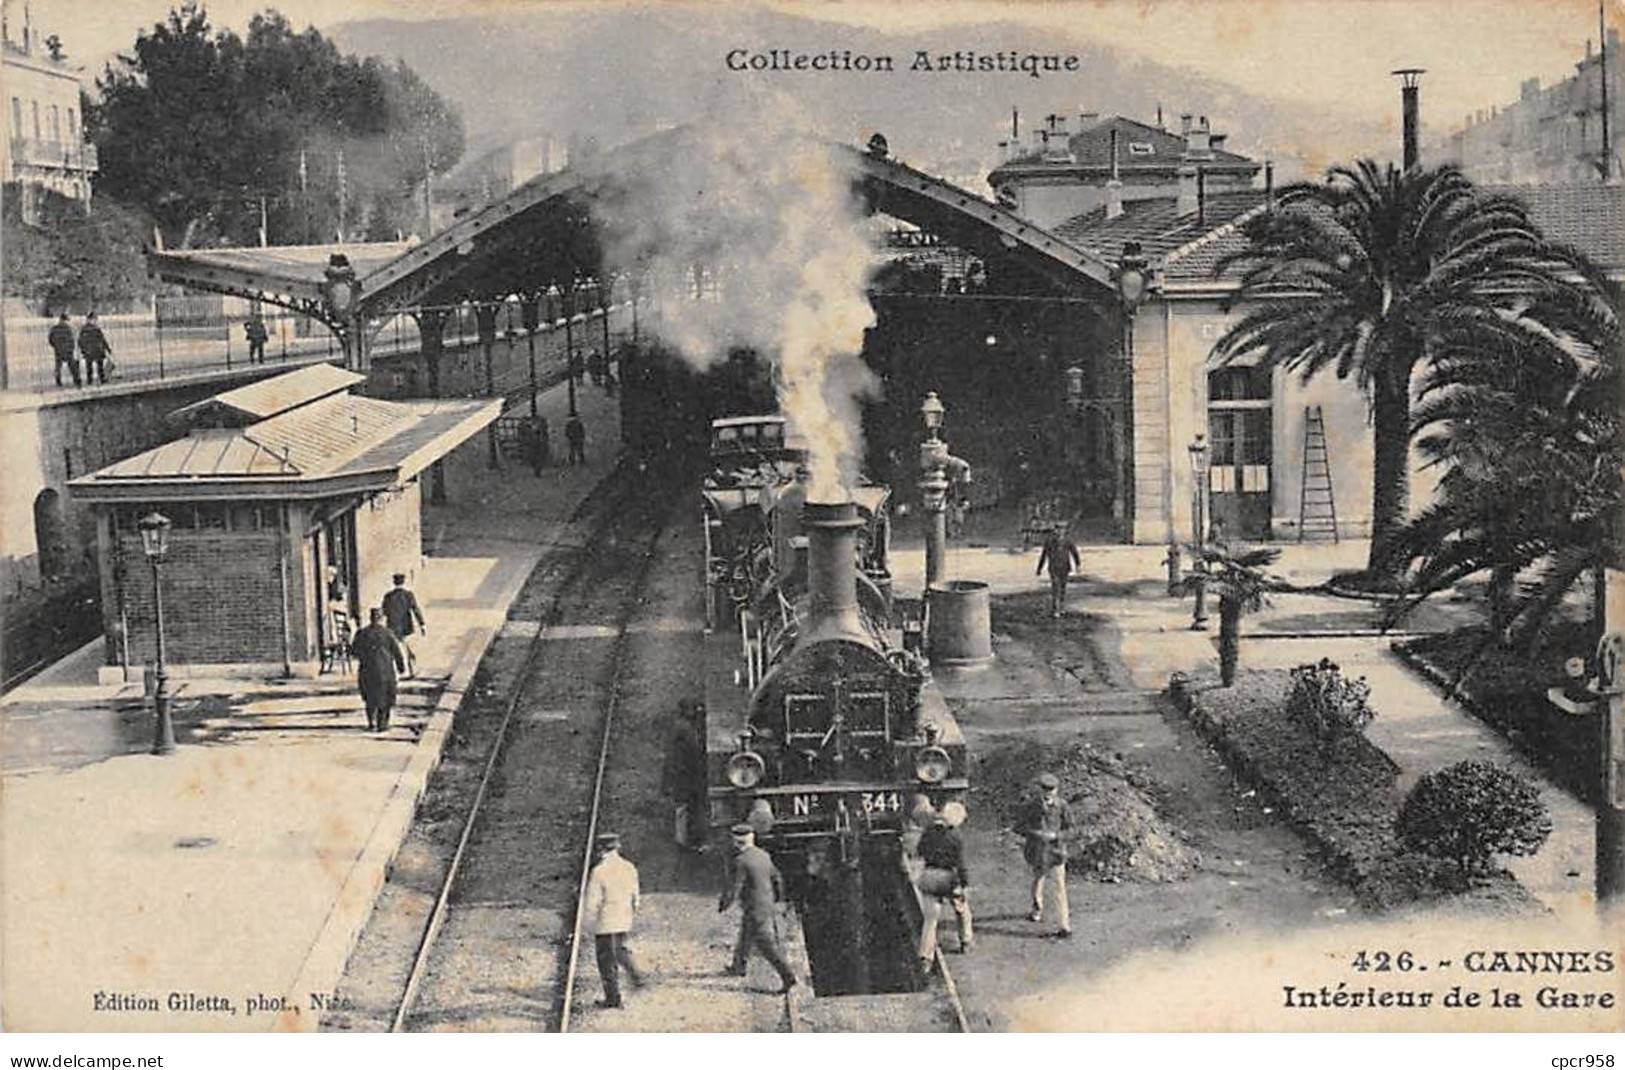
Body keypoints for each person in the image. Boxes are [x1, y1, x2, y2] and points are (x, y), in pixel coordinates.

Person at [718, 824, 797, 992]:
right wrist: (779, 899)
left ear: (737, 842)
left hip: (755, 907)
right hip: (766, 904)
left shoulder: (741, 861)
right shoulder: (764, 855)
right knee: (746, 934)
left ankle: (788, 976)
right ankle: (738, 966)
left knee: (766, 945)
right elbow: (777, 878)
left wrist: (724, 904)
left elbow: (736, 887)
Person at [582, 832, 645, 1008]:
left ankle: (613, 998)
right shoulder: (629, 867)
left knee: (606, 961)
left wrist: (588, 924)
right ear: (617, 848)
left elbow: (592, 902)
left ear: (601, 850)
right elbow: (636, 895)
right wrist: (632, 912)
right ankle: (636, 977)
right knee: (619, 949)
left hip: (605, 922)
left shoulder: (599, 871)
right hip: (624, 918)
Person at [917, 800, 973, 967]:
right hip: (949, 877)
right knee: (962, 910)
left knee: (930, 919)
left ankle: (926, 957)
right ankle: (966, 940)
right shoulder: (956, 837)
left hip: (930, 876)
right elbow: (961, 863)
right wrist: (965, 884)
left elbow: (920, 850)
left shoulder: (928, 832)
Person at [1017, 772, 1073, 938]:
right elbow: (1018, 827)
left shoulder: (1062, 806)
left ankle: (1064, 926)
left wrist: (1057, 836)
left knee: (1059, 888)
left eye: (1052, 790)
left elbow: (1072, 829)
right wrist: (1036, 833)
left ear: (1057, 790)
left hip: (1056, 852)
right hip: (1037, 852)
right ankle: (1037, 908)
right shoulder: (1031, 806)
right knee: (1038, 880)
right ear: (1040, 790)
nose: (1049, 793)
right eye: (1045, 790)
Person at [350, 608, 406, 732]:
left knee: (370, 697)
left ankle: (372, 722)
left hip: (367, 671)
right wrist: (401, 667)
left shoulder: (362, 633)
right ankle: (383, 724)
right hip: (385, 672)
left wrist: (365, 656)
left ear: (371, 618)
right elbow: (397, 652)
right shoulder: (388, 633)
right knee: (385, 698)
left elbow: (354, 651)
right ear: (381, 619)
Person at [663, 700, 707, 851]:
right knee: (688, 808)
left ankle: (682, 838)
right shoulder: (686, 730)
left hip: (681, 775)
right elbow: (694, 753)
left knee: (682, 808)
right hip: (686, 776)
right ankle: (685, 840)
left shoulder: (679, 727)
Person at [381, 573, 427, 678]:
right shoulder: (408, 595)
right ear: (403, 582)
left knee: (395, 650)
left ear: (394, 582)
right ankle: (412, 671)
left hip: (392, 627)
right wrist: (422, 624)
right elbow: (415, 609)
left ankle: (397, 673)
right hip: (406, 627)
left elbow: (384, 611)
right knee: (409, 650)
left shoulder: (388, 596)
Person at [1036, 526, 1081, 619]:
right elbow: (1043, 555)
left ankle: (1061, 607)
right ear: (1054, 531)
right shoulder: (1049, 542)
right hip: (1053, 568)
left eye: (1062, 530)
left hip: (1065, 567)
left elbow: (1074, 553)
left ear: (1064, 531)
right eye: (1058, 530)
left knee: (1063, 588)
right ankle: (1056, 609)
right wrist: (1039, 568)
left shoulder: (1068, 541)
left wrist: (1078, 565)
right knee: (1056, 587)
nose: (1059, 532)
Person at [77, 312, 112, 386]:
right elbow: (102, 340)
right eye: (95, 319)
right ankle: (101, 379)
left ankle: (90, 381)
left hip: (89, 351)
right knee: (100, 366)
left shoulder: (84, 329)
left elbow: (80, 341)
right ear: (91, 319)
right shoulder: (96, 329)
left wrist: (83, 350)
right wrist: (108, 349)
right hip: (97, 350)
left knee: (89, 367)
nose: (96, 321)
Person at [49, 313, 81, 387]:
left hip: (58, 350)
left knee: (58, 366)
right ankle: (76, 380)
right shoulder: (68, 328)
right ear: (65, 320)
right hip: (68, 351)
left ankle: (58, 381)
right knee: (72, 366)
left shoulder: (54, 328)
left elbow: (50, 339)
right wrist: (71, 348)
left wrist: (56, 346)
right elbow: (71, 340)